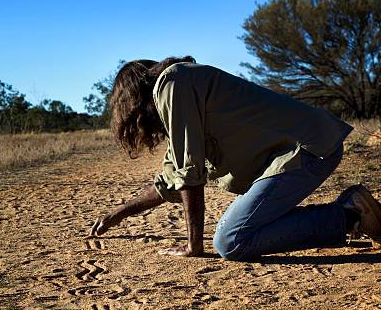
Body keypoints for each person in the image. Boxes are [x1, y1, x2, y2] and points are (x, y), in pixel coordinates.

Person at [89, 56, 381, 259]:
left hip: (307, 149)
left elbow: (189, 174)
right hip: (303, 151)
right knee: (245, 229)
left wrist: (194, 246)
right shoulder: (181, 91)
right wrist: (118, 214)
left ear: (134, 99)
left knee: (231, 240)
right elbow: (171, 181)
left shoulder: (172, 84)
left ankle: (349, 214)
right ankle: (348, 213)